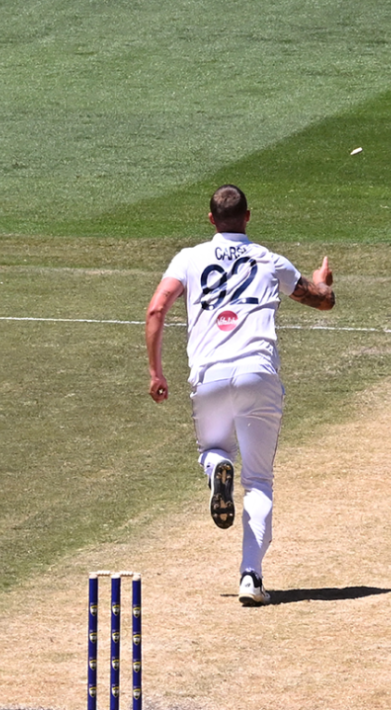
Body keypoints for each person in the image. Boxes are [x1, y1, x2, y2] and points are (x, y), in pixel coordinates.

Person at [145, 184, 335, 606]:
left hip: (209, 377)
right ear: (248, 216)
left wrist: (156, 372)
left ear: (211, 220)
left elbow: (157, 308)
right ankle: (251, 577)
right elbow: (322, 301)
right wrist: (322, 282)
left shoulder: (190, 258)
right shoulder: (269, 259)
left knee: (213, 450)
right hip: (258, 375)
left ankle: (217, 470)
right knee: (260, 481)